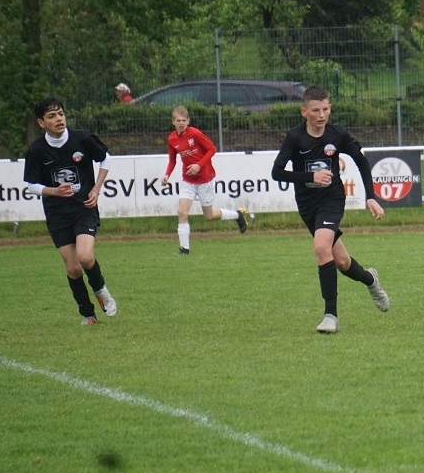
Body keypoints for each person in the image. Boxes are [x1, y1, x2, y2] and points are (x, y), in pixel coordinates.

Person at [271, 85, 390, 333]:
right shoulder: (295, 137)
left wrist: (370, 197)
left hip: (332, 200)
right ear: (304, 112)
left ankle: (330, 316)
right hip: (307, 205)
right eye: (316, 110)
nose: (322, 115)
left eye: (325, 109)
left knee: (320, 247)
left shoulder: (337, 135)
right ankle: (370, 279)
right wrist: (310, 176)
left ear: (330, 108)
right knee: (342, 261)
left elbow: (361, 161)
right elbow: (277, 172)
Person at [23, 97, 119, 325]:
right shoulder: (37, 149)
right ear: (41, 123)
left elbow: (106, 159)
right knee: (73, 268)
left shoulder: (81, 139)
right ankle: (88, 314)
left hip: (83, 207)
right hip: (57, 214)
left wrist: (96, 189)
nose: (59, 119)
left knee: (85, 257)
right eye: (52, 116)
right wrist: (54, 191)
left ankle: (100, 289)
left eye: (61, 114)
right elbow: (31, 186)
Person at [160, 106, 248, 255]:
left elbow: (212, 149)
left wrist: (198, 165)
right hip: (188, 180)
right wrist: (167, 174)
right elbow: (172, 160)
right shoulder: (172, 139)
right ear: (173, 122)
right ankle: (184, 249)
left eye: (184, 120)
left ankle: (237, 215)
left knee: (209, 216)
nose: (181, 123)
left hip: (204, 179)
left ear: (188, 121)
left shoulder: (195, 134)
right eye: (178, 120)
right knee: (182, 212)